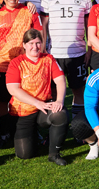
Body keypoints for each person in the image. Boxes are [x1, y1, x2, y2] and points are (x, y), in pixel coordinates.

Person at [0, 0, 43, 143]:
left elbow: (38, 36)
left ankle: (31, 130)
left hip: (26, 66)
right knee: (2, 101)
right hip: (3, 66)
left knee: (27, 99)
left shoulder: (30, 12)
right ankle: (4, 131)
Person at [6, 29, 69, 166]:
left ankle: (54, 154)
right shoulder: (16, 63)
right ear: (24, 45)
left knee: (60, 114)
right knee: (25, 154)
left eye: (38, 43)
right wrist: (36, 102)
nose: (35, 47)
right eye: (31, 43)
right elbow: (13, 89)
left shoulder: (48, 58)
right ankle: (36, 135)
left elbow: (60, 80)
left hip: (44, 108)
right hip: (24, 111)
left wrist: (59, 101)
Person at [41, 0, 92, 124]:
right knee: (55, 92)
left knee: (78, 90)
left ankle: (78, 127)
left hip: (77, 53)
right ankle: (57, 125)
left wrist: (89, 49)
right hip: (54, 53)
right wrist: (43, 49)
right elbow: (44, 26)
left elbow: (89, 26)